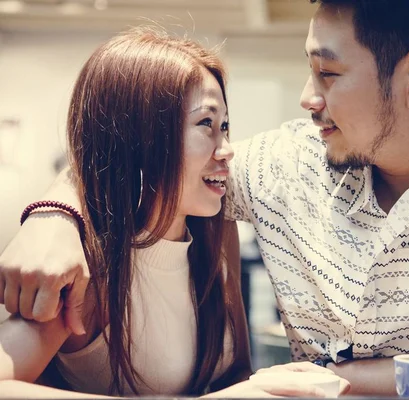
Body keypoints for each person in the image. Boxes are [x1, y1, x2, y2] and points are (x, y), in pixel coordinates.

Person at [1, 0, 409, 397]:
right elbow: (139, 162)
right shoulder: (285, 164)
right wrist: (53, 212)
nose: (308, 98)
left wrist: (306, 380)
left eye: (328, 74)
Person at [0, 27, 343, 398]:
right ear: (140, 138)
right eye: (205, 124)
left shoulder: (215, 231)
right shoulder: (90, 264)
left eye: (224, 125)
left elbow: (234, 372)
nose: (226, 148)